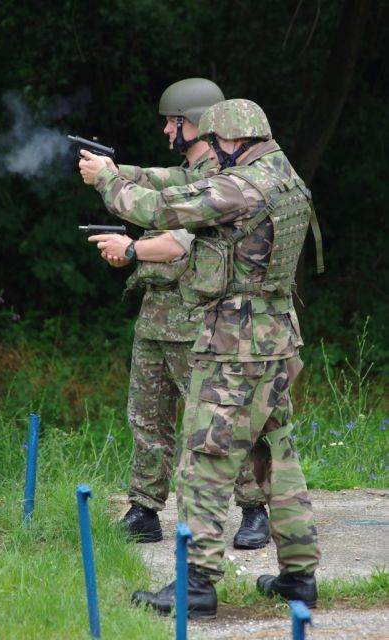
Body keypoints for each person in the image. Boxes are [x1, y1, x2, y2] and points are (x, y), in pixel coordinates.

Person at [79, 98, 323, 619]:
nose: (212, 152)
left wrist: (107, 180)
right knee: (276, 454)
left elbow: (157, 211)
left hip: (236, 343)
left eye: (214, 143)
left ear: (230, 140)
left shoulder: (240, 187)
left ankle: (196, 583)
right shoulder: (285, 176)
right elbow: (180, 188)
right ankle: (299, 576)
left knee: (205, 460)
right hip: (278, 336)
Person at [90, 79, 271, 550]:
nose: (167, 130)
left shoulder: (224, 180)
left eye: (173, 122)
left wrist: (132, 248)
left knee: (225, 420)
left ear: (197, 122)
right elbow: (155, 181)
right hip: (158, 316)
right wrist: (110, 171)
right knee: (147, 419)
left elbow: (177, 242)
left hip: (201, 321)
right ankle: (145, 508)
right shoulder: (188, 171)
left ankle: (254, 508)